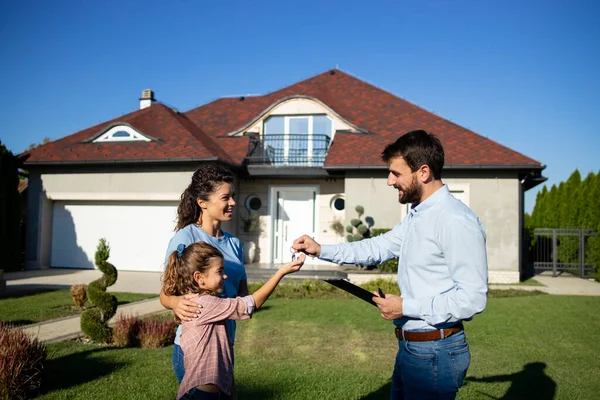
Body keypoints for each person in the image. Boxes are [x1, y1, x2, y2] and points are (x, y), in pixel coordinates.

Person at [292, 129, 488, 400]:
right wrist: (320, 249)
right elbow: (377, 247)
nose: (389, 181)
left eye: (396, 173)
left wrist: (405, 306)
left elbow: (472, 298)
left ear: (423, 172)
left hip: (436, 352)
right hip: (412, 348)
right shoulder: (418, 215)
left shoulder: (455, 221)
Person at [164, 241, 306, 399]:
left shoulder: (201, 301)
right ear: (199, 278)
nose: (225, 276)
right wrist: (281, 272)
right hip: (201, 395)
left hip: (206, 392)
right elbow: (251, 303)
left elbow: (220, 350)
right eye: (219, 271)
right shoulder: (205, 304)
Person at [160, 163, 248, 385]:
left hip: (225, 343)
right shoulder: (185, 238)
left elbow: (241, 293)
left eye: (233, 196)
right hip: (196, 346)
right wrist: (175, 302)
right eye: (225, 197)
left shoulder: (235, 244)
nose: (233, 203)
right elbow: (165, 294)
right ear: (202, 203)